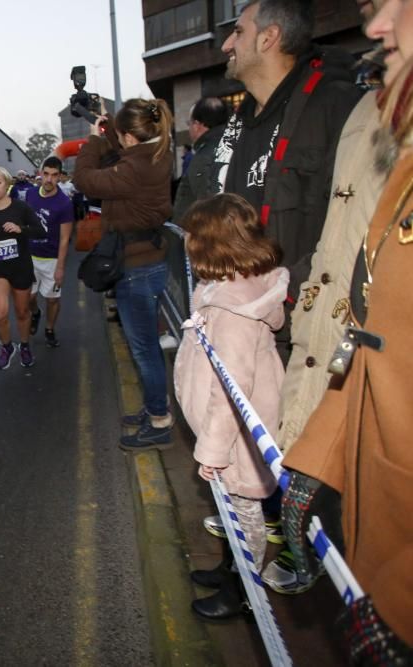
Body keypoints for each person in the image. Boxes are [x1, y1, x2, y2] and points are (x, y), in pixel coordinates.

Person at [283, 5, 413, 656]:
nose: (377, 26)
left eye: (398, 3)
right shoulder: (387, 121)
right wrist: (315, 456)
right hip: (371, 480)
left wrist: (402, 593)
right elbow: (374, 328)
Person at [213, 0, 362, 358]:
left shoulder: (337, 106)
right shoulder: (240, 120)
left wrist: (280, 291)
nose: (226, 46)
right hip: (244, 326)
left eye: (237, 32)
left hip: (306, 334)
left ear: (269, 38)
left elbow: (354, 226)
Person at [174, 193, 286, 619]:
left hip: (235, 437)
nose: (185, 243)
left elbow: (230, 389)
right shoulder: (230, 288)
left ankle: (243, 591)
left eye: (191, 236)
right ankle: (228, 569)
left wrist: (214, 451)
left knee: (244, 513)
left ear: (210, 244)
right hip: (230, 432)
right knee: (230, 508)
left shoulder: (234, 311)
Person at [72, 99, 175, 449]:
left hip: (138, 269)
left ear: (130, 137)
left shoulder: (135, 167)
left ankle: (160, 421)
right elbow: (121, 153)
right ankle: (154, 407)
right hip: (149, 262)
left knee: (144, 349)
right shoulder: (156, 154)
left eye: (121, 135)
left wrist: (94, 140)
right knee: (147, 347)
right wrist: (108, 129)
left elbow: (85, 179)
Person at [0, 166, 43, 369]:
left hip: (21, 266)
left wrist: (20, 229)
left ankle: (24, 345)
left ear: (7, 184)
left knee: (22, 312)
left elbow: (40, 231)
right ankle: (7, 346)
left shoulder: (20, 208)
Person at [25, 156, 75, 348]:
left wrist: (60, 267)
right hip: (30, 257)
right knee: (29, 297)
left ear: (59, 177)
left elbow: (64, 239)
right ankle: (36, 313)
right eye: (46, 174)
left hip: (51, 259)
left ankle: (49, 329)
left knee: (52, 300)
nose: (48, 179)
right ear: (40, 173)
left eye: (54, 176)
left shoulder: (64, 203)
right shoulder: (30, 194)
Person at [172, 97, 229, 225]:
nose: (189, 128)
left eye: (189, 123)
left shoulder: (204, 157)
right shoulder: (235, 146)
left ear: (197, 125)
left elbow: (208, 208)